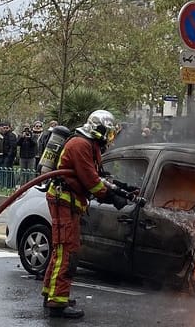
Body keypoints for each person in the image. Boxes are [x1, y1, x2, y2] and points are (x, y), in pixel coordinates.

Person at [42, 110, 128, 319]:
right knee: (67, 251)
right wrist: (110, 197)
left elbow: (96, 175)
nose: (109, 138)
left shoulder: (89, 144)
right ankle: (57, 303)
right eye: (108, 133)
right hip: (64, 201)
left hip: (70, 201)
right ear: (98, 130)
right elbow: (92, 181)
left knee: (61, 249)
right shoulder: (81, 145)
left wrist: (120, 187)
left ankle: (52, 293)